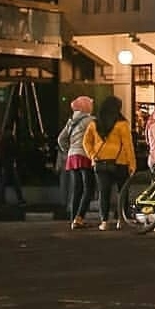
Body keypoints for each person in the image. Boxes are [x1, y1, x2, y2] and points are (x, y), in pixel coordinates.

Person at [83, 96, 136, 230]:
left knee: (103, 193)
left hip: (100, 162)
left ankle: (104, 221)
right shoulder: (122, 124)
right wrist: (132, 164)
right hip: (120, 162)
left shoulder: (94, 124)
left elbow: (86, 142)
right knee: (122, 192)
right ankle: (121, 219)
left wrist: (92, 155)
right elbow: (128, 145)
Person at [58, 96, 95, 229]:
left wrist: (69, 150)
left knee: (77, 189)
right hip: (84, 156)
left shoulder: (71, 121)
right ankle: (79, 218)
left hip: (72, 157)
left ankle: (73, 218)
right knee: (89, 188)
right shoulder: (90, 120)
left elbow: (61, 139)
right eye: (90, 104)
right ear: (86, 107)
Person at [0, 127, 24, 206]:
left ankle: (1, 200)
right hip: (10, 165)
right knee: (14, 183)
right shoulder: (10, 142)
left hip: (6, 165)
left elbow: (1, 157)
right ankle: (20, 199)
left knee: (4, 184)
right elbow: (15, 152)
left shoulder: (3, 143)